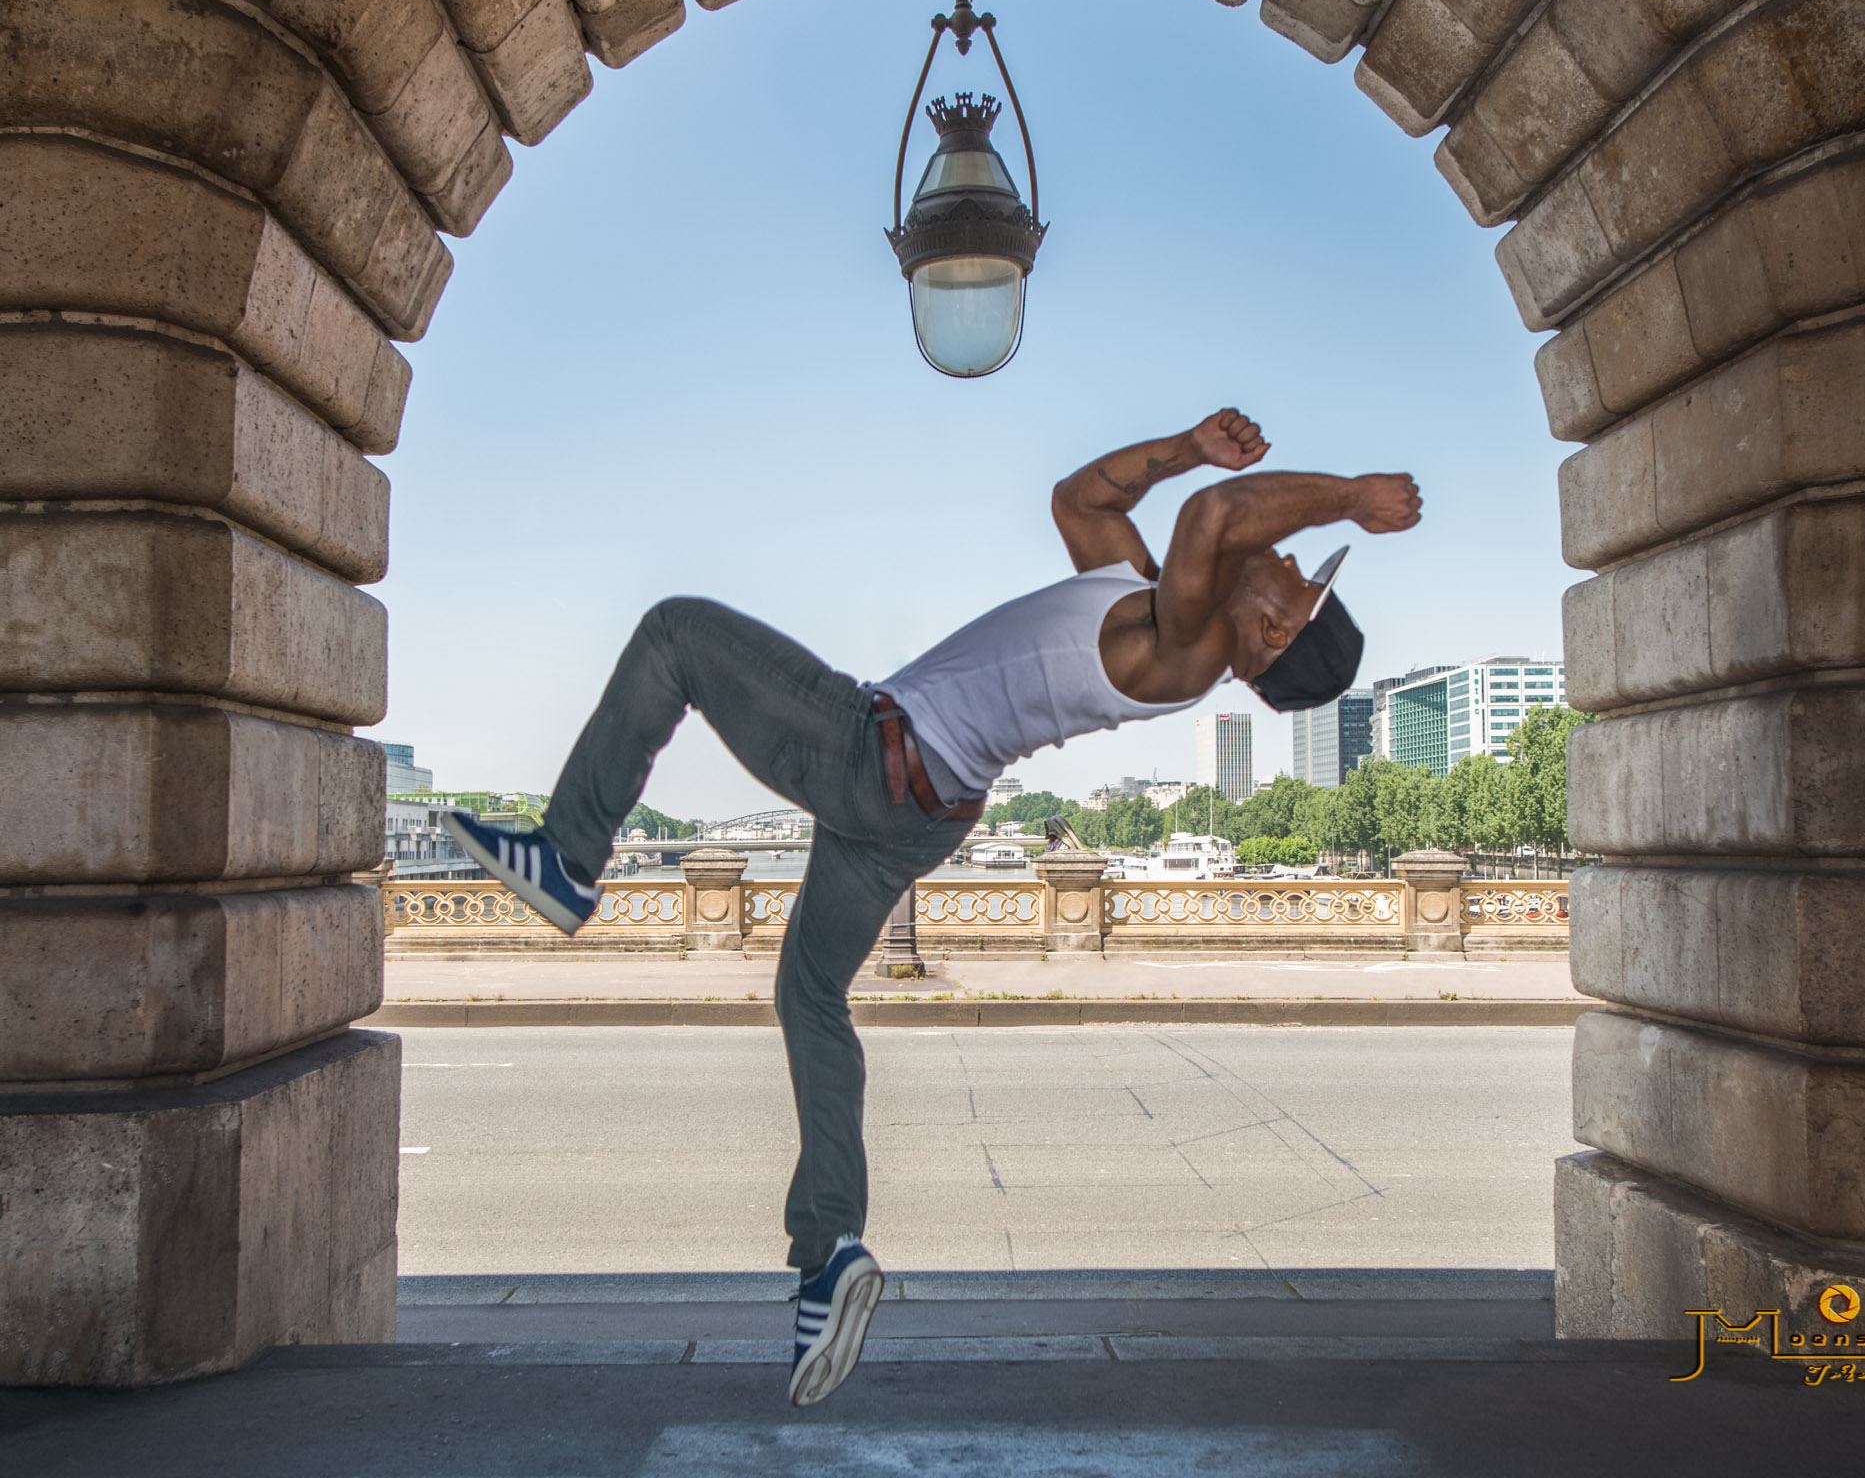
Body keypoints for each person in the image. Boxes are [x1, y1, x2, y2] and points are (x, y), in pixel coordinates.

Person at [448, 410, 1421, 1405]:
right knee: (808, 994)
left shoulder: (1185, 645)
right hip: (920, 807)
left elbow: (1215, 516)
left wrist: (1347, 494)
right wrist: (1181, 447)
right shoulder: (1141, 594)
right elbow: (1080, 497)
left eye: (1300, 576)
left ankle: (567, 857)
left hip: (876, 754)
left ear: (1272, 629)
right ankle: (829, 1252)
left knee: (675, 634)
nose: (1289, 550)